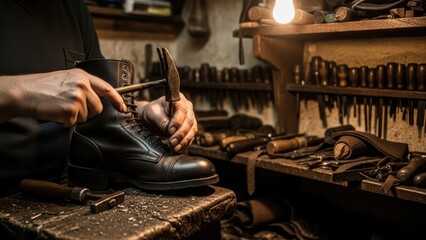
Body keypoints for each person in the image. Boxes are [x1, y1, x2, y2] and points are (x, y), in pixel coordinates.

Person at [0, 0, 214, 193]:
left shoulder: (73, 8)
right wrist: (22, 92)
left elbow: (101, 95)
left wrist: (141, 111)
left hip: (70, 182)